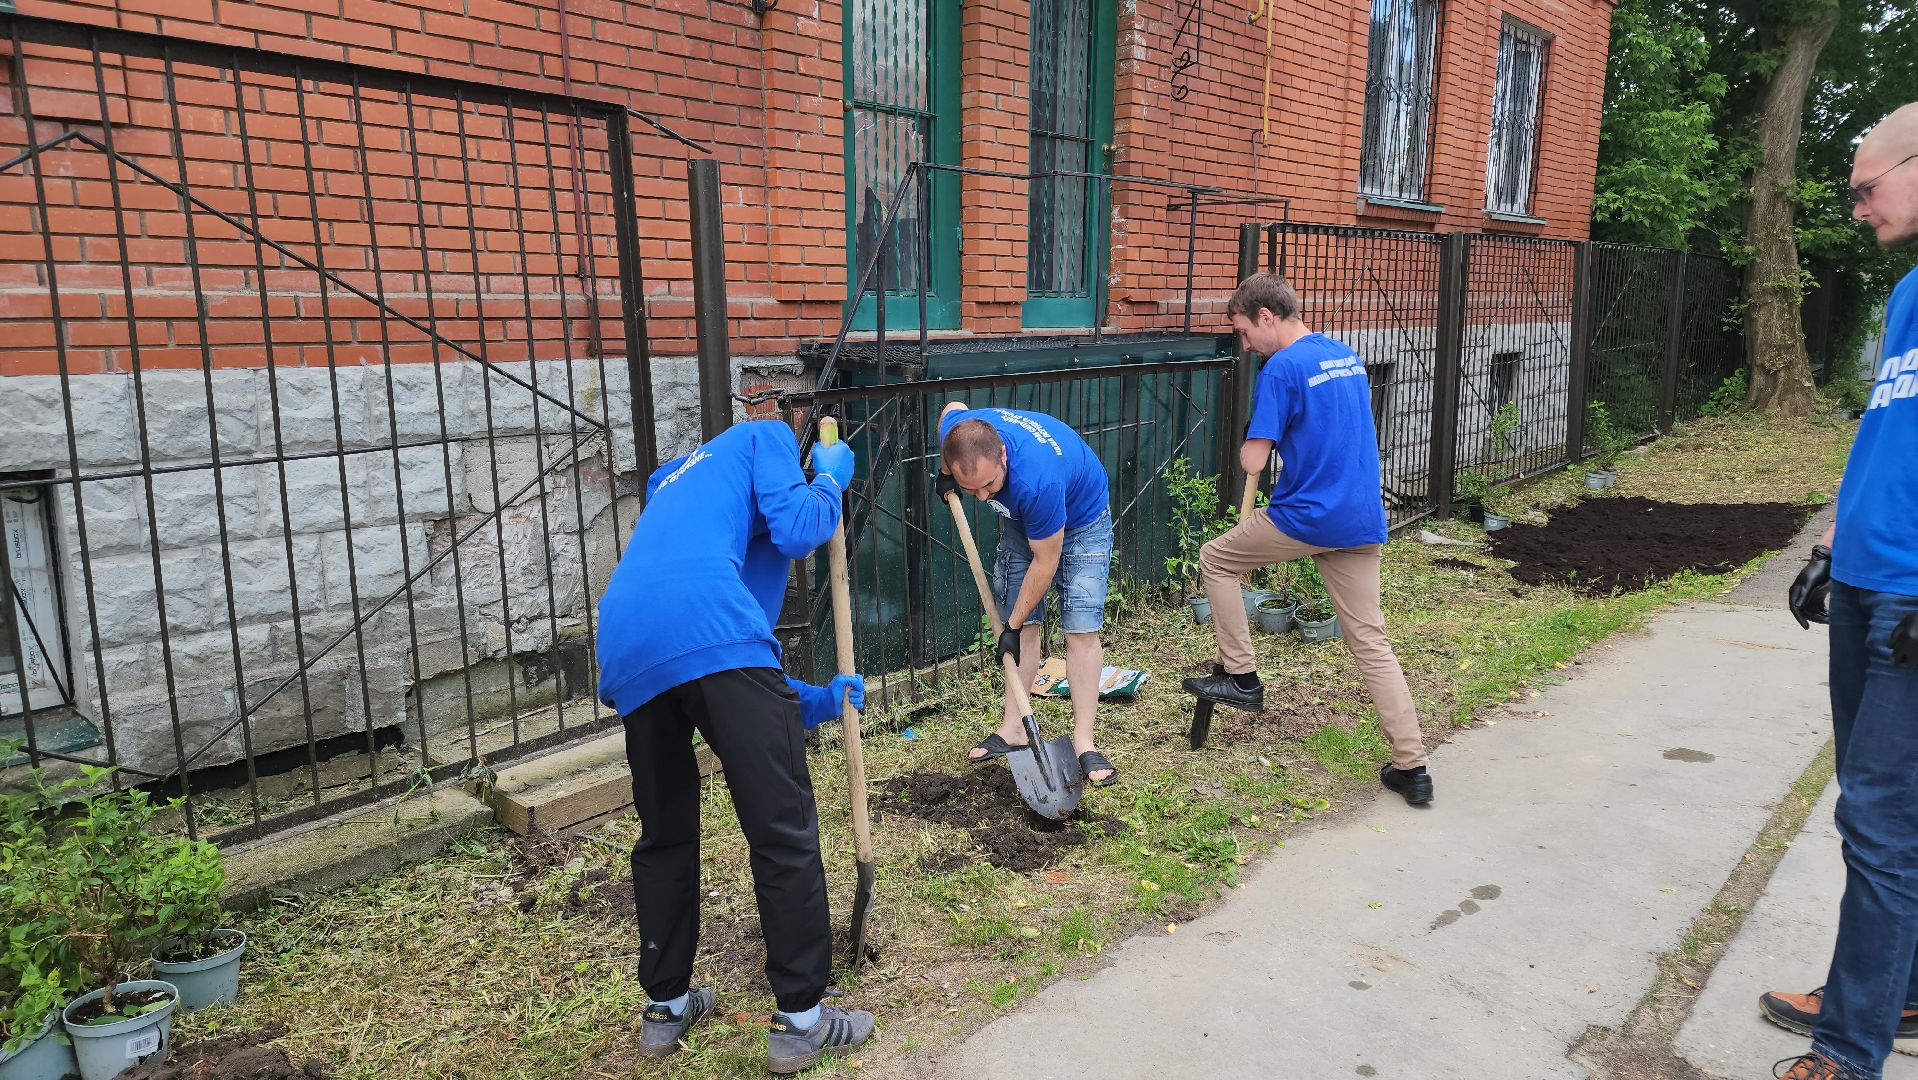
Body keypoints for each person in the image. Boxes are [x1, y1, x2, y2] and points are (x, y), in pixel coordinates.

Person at [595, 419, 876, 1075]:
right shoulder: (767, 436)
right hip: (695, 627)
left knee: (664, 835)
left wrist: (816, 697)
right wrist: (830, 475)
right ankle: (803, 1022)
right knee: (781, 829)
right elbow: (800, 529)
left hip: (628, 643)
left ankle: (665, 1009)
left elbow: (727, 658)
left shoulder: (675, 480)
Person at [1760, 104, 1918, 1080]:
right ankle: (1889, 989)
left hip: (1910, 595)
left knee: (1878, 818)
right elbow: (1883, 427)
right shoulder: (1907, 295)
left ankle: (1847, 1050)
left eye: (1865, 188)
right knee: (1888, 814)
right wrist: (1833, 530)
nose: (1855, 208)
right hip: (1863, 579)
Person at [1179, 272, 1434, 807]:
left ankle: (1242, 677)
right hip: (1360, 517)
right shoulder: (1345, 355)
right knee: (1369, 639)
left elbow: (1252, 460)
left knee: (1216, 560)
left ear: (1267, 317)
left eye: (1245, 333)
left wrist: (1257, 431)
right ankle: (1412, 768)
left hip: (1307, 515)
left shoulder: (1281, 369)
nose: (1246, 346)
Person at [937, 402, 1119, 787]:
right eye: (971, 489)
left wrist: (1011, 625)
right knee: (1025, 633)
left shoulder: (1038, 480)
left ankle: (1084, 742)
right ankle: (1014, 728)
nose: (983, 497)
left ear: (1002, 454)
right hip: (1024, 525)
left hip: (1083, 520)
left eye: (989, 484)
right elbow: (952, 408)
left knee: (1080, 629)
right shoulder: (960, 434)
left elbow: (1046, 562)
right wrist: (943, 473)